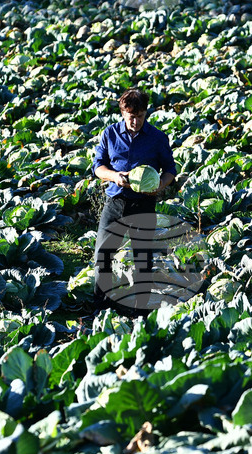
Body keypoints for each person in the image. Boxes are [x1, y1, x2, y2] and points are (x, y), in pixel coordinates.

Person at [91, 88, 177, 314]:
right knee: (103, 255)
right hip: (115, 202)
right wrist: (114, 176)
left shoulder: (157, 138)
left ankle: (140, 310)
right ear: (123, 113)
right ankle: (101, 307)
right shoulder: (110, 134)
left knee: (142, 260)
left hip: (143, 204)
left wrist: (159, 185)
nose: (136, 121)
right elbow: (98, 167)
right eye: (131, 116)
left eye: (140, 116)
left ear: (146, 113)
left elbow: (170, 169)